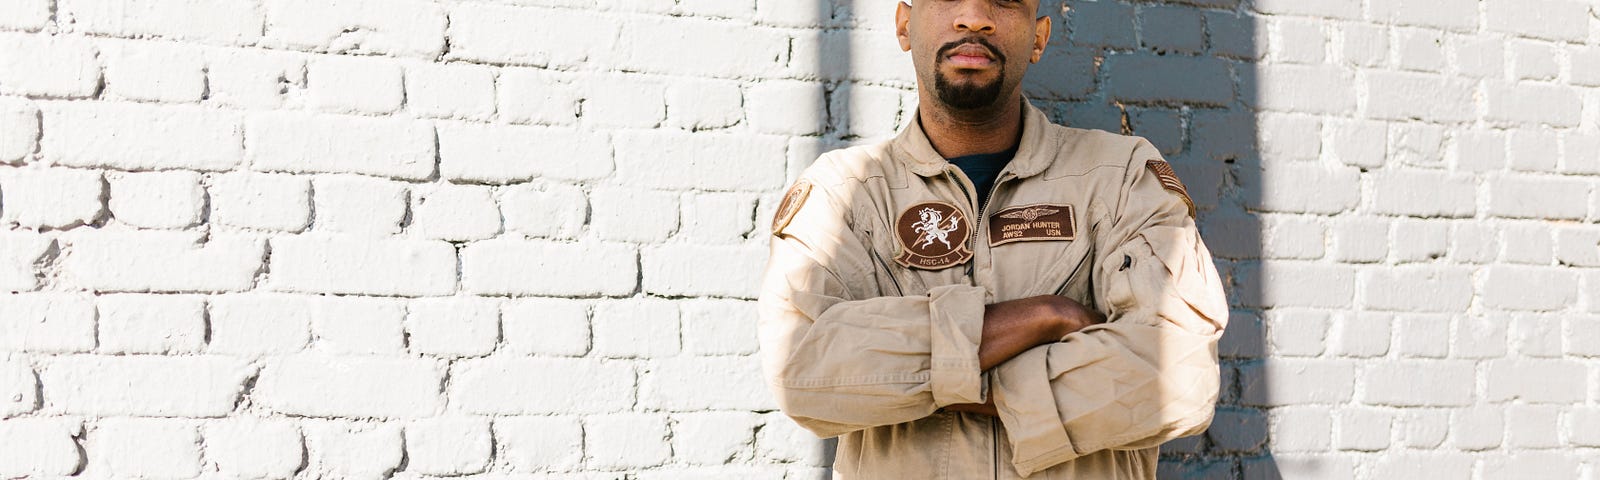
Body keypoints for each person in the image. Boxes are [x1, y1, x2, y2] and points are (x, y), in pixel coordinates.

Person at [756, 0, 1230, 478]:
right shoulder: (845, 193)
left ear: (1039, 38)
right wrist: (1047, 316)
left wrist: (933, 378)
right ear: (904, 26)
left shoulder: (1120, 177)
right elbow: (804, 373)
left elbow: (1180, 375)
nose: (974, 16)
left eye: (1004, 1)